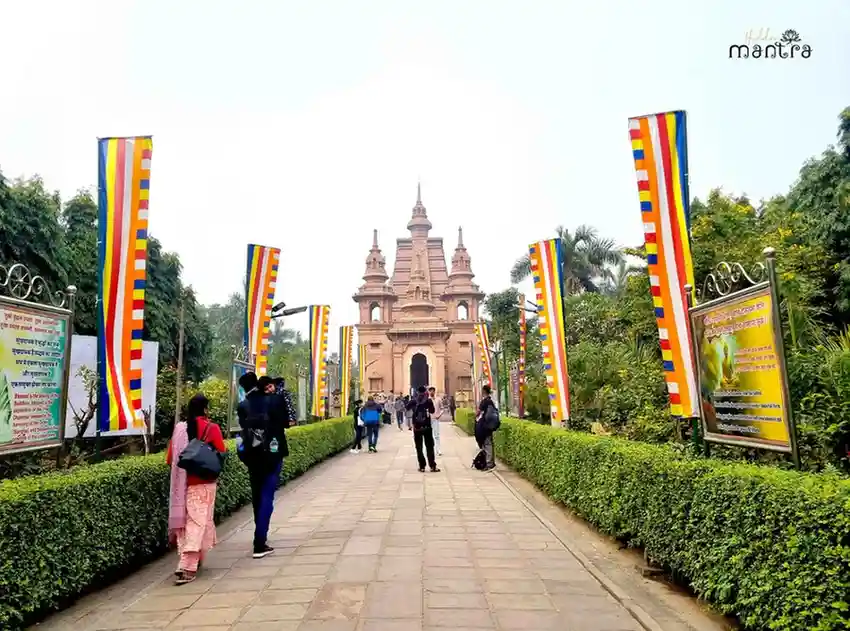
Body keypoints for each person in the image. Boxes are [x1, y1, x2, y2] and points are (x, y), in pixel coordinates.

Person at [166, 393, 226, 585]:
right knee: (198, 523)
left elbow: (170, 459)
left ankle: (193, 560)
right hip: (205, 484)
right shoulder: (212, 428)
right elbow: (221, 452)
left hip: (183, 486)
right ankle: (187, 566)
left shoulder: (179, 429)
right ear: (205, 409)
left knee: (189, 524)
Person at [236, 372, 291, 558]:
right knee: (268, 494)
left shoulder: (243, 405)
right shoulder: (274, 400)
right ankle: (260, 541)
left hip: (252, 455)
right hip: (273, 453)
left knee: (257, 494)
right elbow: (286, 423)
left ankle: (260, 535)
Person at [408, 386, 439, 472]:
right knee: (429, 446)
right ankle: (432, 466)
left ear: (417, 392)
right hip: (427, 426)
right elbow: (432, 411)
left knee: (419, 447)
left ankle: (422, 466)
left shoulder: (414, 401)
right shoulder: (428, 401)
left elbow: (407, 408)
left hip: (417, 427)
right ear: (425, 392)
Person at [475, 384, 498, 471]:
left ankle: (488, 463)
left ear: (484, 391)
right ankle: (491, 462)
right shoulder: (491, 401)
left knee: (487, 443)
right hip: (490, 425)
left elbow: (478, 412)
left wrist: (475, 416)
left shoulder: (484, 401)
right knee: (490, 443)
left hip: (484, 426)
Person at [428, 386, 442, 456]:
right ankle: (430, 449)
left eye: (433, 391)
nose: (431, 392)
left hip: (435, 419)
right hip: (428, 420)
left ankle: (438, 449)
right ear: (429, 392)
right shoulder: (427, 400)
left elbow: (442, 408)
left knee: (436, 435)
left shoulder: (438, 399)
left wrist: (440, 415)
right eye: (430, 391)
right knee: (429, 435)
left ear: (434, 391)